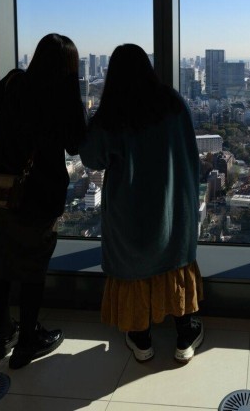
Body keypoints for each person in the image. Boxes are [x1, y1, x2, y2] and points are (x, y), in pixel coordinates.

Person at [79, 44, 204, 364]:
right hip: (172, 204)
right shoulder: (173, 104)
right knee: (174, 261)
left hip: (129, 209)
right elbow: (189, 148)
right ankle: (185, 334)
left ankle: (141, 337)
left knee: (133, 268)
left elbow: (92, 158)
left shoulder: (113, 115)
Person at [0, 33, 86, 369]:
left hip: (2, 188)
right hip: (41, 191)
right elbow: (76, 143)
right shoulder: (63, 92)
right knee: (32, 266)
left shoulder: (15, 81)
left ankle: (2, 334)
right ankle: (27, 342)